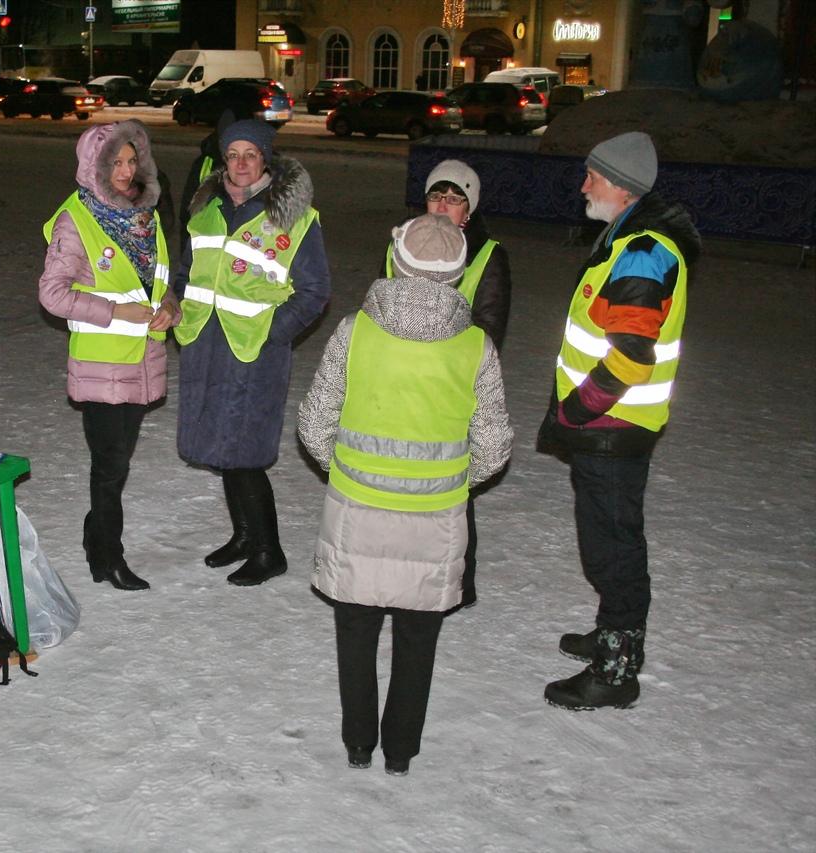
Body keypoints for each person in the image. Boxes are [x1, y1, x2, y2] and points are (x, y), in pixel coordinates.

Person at [298, 214, 513, 775]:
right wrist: (449, 482)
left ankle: (358, 743)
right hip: (436, 520)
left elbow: (315, 422)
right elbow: (494, 445)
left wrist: (346, 471)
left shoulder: (355, 331)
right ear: (457, 276)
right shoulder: (475, 348)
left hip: (357, 513)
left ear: (396, 263)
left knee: (356, 632)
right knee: (418, 640)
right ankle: (400, 752)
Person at [538, 131, 700, 710]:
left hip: (613, 427)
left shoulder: (643, 253)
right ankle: (613, 632)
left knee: (613, 546)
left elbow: (631, 353)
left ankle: (616, 669)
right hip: (612, 427)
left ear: (622, 186)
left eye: (592, 176)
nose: (583, 185)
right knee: (607, 538)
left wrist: (578, 410)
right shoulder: (627, 239)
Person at [172, 119, 331, 586]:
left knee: (245, 453)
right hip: (206, 346)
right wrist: (176, 305)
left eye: (251, 154)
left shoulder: (293, 218)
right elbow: (186, 273)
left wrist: (271, 334)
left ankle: (269, 550)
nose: (241, 163)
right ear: (224, 159)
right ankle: (243, 535)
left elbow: (315, 291)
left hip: (254, 352)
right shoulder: (205, 211)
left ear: (266, 159)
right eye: (233, 154)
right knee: (223, 447)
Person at [38, 120, 178, 591]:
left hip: (143, 361)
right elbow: (53, 295)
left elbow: (159, 282)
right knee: (111, 463)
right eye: (115, 162)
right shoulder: (74, 221)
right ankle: (108, 554)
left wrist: (169, 309)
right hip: (101, 364)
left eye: (131, 160)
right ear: (93, 167)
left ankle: (97, 537)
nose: (125, 170)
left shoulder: (146, 217)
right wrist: (117, 309)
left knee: (117, 464)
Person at [385, 159, 511, 609]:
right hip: (399, 381)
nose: (443, 206)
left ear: (469, 211)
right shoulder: (402, 243)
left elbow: (489, 328)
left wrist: (447, 366)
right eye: (437, 196)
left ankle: (460, 582)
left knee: (452, 487)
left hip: (452, 385)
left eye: (455, 200)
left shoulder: (487, 255)